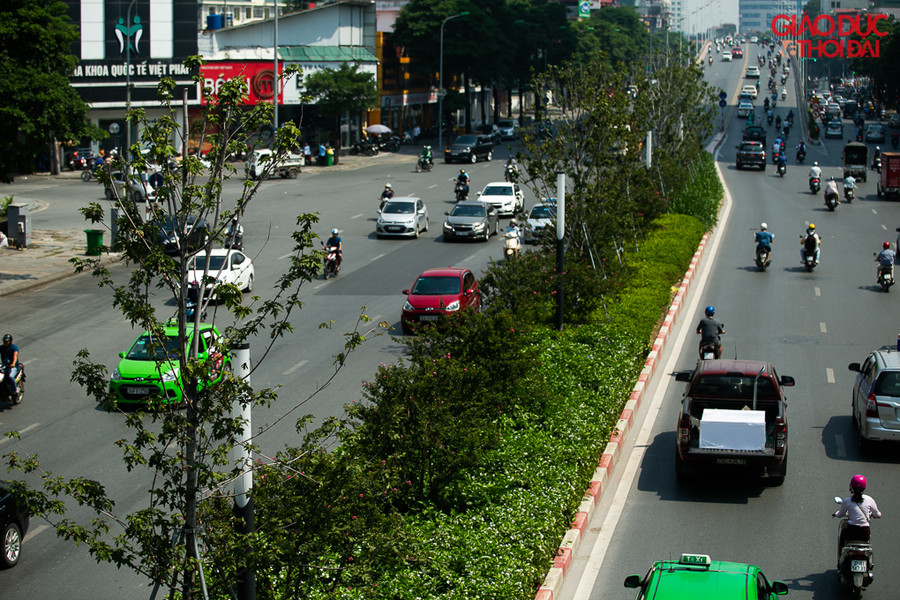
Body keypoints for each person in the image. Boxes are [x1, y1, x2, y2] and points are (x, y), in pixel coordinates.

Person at [833, 475, 881, 565]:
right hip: (864, 533)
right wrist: (875, 515)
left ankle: (840, 561)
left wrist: (836, 514)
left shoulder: (847, 501)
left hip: (851, 532)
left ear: (851, 486)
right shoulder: (869, 500)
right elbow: (877, 514)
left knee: (843, 541)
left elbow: (841, 514)